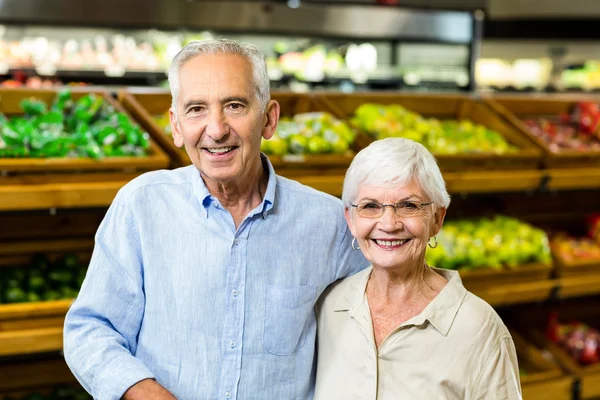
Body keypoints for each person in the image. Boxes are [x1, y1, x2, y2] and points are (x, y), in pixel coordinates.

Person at [63, 39, 367, 400]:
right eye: (196, 109)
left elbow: (373, 330)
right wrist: (144, 391)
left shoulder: (329, 222)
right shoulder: (141, 206)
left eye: (234, 105)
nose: (217, 129)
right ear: (176, 126)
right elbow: (91, 328)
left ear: (269, 119)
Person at [314, 138, 522, 400]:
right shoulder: (329, 308)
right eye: (370, 206)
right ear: (350, 219)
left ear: (437, 219)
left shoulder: (480, 329)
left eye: (408, 205)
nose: (389, 224)